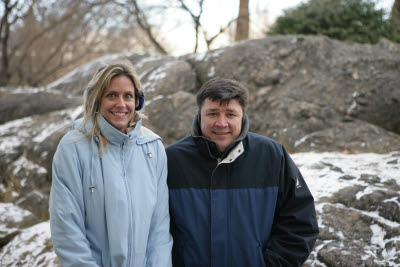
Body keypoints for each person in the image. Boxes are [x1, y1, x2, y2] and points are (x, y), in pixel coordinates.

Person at [166, 77, 319, 266]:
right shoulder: (171, 160)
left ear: (243, 115)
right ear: (200, 114)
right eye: (213, 114)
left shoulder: (272, 156)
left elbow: (300, 224)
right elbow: (154, 229)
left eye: (230, 114)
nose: (221, 123)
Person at [49, 60, 173, 267]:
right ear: (97, 100)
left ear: (137, 101)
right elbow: (66, 226)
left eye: (128, 96)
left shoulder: (153, 148)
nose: (121, 104)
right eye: (111, 95)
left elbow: (159, 227)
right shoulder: (73, 147)